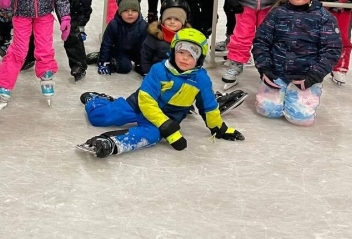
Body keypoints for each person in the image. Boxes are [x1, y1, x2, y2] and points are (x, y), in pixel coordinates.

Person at [77, 28, 244, 158]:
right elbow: (146, 99)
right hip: (138, 105)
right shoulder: (159, 70)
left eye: (191, 55)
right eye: (181, 52)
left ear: (199, 59)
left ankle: (110, 144)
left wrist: (220, 129)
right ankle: (97, 100)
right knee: (98, 118)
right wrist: (165, 125)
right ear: (173, 51)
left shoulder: (201, 79)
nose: (184, 58)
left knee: (152, 135)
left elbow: (209, 107)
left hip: (168, 116)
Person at [252, 0, 342, 126]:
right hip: (276, 75)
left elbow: (331, 50)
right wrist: (265, 68)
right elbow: (261, 41)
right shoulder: (277, 14)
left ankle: (301, 94)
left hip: (305, 77)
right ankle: (279, 92)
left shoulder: (324, 18)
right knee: (267, 110)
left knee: (300, 118)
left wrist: (313, 77)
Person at [97, 0, 148, 76]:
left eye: (134, 10)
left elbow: (147, 47)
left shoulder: (143, 25)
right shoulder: (114, 24)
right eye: (126, 10)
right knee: (125, 67)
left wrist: (146, 66)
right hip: (120, 51)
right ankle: (108, 59)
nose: (130, 13)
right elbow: (107, 44)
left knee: (144, 68)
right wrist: (104, 62)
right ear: (120, 12)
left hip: (137, 51)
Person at [139, 0, 191, 74]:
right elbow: (145, 57)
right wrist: (149, 73)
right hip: (157, 74)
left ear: (184, 22)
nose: (172, 22)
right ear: (162, 19)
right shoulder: (154, 36)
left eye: (177, 19)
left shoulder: (189, 38)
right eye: (168, 18)